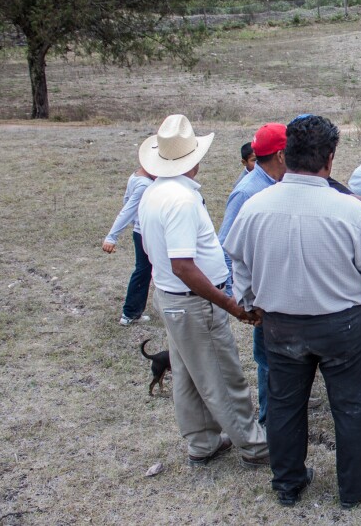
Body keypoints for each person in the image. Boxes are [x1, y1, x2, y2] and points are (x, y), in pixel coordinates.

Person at [223, 115, 361, 509]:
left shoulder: (256, 207)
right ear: (330, 158)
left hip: (280, 327)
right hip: (342, 328)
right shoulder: (348, 211)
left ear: (286, 155)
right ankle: (354, 489)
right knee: (351, 406)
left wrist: (248, 300)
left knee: (284, 405)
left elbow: (238, 260)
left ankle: (288, 483)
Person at [137, 114, 268, 468]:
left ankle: (203, 441)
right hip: (193, 302)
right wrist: (229, 304)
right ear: (192, 158)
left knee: (188, 374)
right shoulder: (180, 200)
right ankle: (255, 446)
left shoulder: (154, 192)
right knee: (222, 377)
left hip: (173, 299)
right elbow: (183, 265)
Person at [217, 123, 288, 426]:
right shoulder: (247, 192)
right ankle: (268, 422)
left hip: (282, 287)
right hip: (262, 294)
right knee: (269, 362)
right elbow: (226, 248)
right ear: (283, 155)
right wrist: (241, 301)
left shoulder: (279, 184)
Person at [102, 165, 154, 325]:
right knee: (143, 271)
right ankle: (130, 313)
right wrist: (111, 237)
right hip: (145, 233)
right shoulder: (144, 185)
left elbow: (126, 200)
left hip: (141, 231)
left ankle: (132, 312)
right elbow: (127, 209)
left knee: (144, 270)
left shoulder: (135, 176)